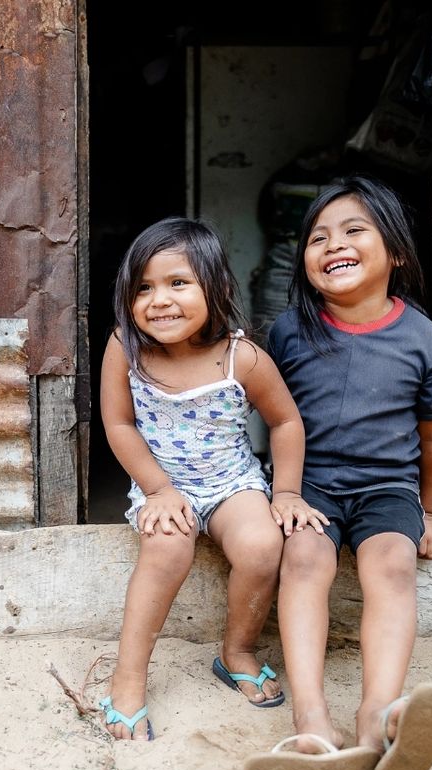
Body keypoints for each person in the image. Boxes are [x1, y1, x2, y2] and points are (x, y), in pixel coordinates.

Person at [245, 175, 432, 770]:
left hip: (387, 487)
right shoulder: (289, 332)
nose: (332, 244)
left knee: (392, 565)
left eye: (352, 231)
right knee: (304, 558)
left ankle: (377, 718)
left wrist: (431, 511)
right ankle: (312, 719)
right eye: (318, 237)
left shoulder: (423, 339)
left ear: (396, 253)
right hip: (309, 486)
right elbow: (267, 416)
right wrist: (277, 491)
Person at [99, 217, 327, 741]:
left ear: (217, 288)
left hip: (230, 483)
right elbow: (119, 424)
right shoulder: (125, 346)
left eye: (178, 283)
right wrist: (158, 489)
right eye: (143, 288)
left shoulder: (241, 358)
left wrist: (286, 492)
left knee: (261, 544)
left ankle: (237, 651)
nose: (159, 300)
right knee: (167, 548)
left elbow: (286, 422)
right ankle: (128, 679)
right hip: (160, 482)